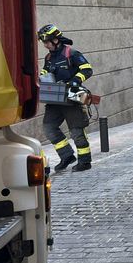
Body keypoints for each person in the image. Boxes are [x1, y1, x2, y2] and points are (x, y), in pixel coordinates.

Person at [38, 24, 94, 172]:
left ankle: (85, 161)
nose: (45, 45)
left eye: (47, 41)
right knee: (49, 128)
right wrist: (41, 79)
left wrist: (75, 80)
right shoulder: (49, 57)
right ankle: (67, 156)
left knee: (76, 131)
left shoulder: (72, 53)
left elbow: (87, 69)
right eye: (43, 42)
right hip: (54, 99)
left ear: (56, 40)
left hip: (71, 98)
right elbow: (45, 73)